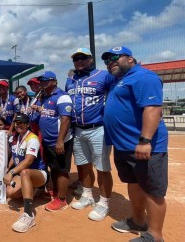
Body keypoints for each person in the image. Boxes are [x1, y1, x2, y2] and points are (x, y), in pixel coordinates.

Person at [102, 46, 168, 242]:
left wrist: (145, 140)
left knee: (152, 190)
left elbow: (153, 108)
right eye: (106, 60)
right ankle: (138, 221)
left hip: (145, 146)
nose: (110, 62)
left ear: (130, 59)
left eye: (115, 57)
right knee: (134, 184)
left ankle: (155, 236)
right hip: (123, 146)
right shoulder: (118, 80)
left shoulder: (144, 76)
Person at [65, 48, 114, 221]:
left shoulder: (103, 75)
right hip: (78, 129)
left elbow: (117, 93)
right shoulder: (71, 79)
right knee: (83, 165)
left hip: (98, 128)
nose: (79, 61)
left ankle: (104, 203)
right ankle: (87, 195)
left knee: (102, 168)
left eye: (82, 58)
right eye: (75, 59)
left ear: (91, 59)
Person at [32, 71, 73, 212]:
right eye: (41, 80)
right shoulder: (44, 97)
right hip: (48, 140)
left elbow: (66, 119)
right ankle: (56, 192)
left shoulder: (62, 96)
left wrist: (60, 141)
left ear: (54, 81)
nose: (42, 82)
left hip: (59, 141)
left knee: (61, 170)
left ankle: (61, 200)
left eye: (45, 80)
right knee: (53, 168)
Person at [3, 113, 47, 233]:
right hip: (23, 173)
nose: (18, 125)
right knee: (11, 193)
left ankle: (29, 215)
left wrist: (11, 173)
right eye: (16, 123)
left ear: (27, 124)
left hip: (39, 173)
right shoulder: (16, 138)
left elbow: (28, 161)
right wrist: (8, 168)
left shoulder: (32, 139)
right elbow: (15, 155)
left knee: (24, 172)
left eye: (21, 122)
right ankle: (36, 191)